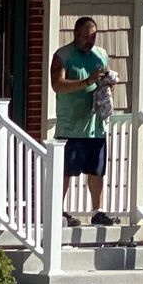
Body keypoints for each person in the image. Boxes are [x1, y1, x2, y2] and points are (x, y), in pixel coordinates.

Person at [51, 17, 117, 225]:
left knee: (96, 171)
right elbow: (57, 85)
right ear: (76, 33)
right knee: (65, 171)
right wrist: (87, 81)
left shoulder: (100, 55)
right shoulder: (63, 56)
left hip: (95, 125)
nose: (91, 40)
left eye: (94, 36)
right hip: (70, 126)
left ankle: (97, 212)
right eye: (87, 36)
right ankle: (58, 211)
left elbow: (103, 79)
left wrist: (108, 82)